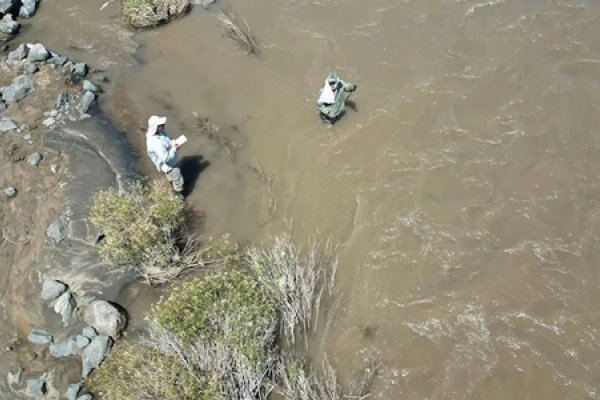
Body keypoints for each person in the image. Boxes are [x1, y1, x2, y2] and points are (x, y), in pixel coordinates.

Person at [146, 115, 184, 193]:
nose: (164, 126)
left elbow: (166, 139)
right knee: (179, 181)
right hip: (170, 166)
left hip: (170, 163)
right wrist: (175, 149)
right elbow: (165, 158)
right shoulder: (156, 142)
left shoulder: (160, 132)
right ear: (156, 127)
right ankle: (179, 196)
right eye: (161, 125)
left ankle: (172, 185)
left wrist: (172, 142)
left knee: (172, 178)